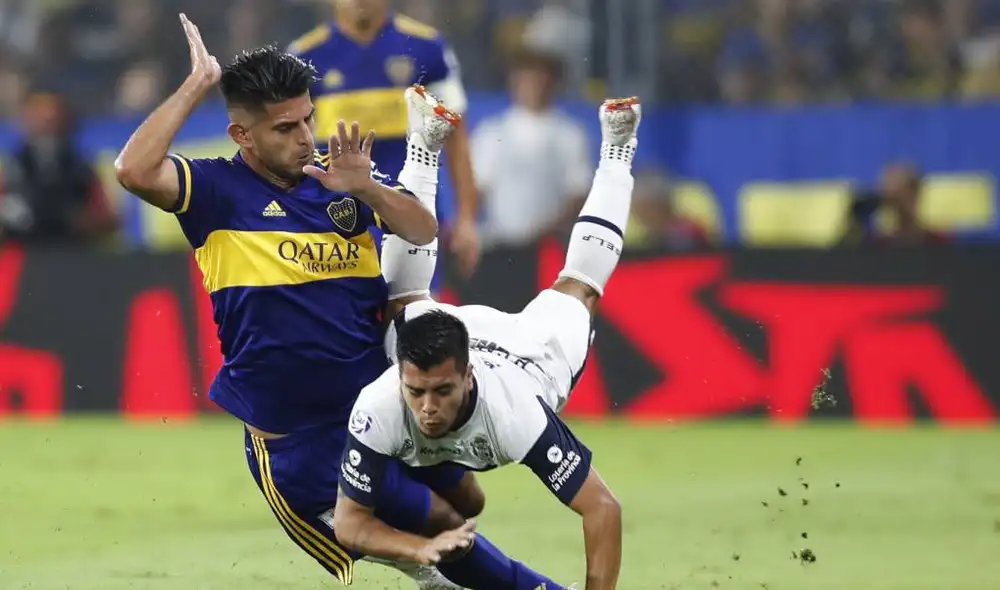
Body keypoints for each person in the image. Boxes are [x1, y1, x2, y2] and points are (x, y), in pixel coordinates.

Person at [114, 14, 541, 590]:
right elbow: (134, 169)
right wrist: (197, 84)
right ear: (242, 135)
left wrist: (367, 187)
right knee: (442, 533)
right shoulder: (216, 192)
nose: (305, 137)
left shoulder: (337, 180)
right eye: (285, 128)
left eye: (308, 119)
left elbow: (421, 229)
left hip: (381, 409)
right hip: (300, 443)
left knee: (468, 500)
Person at [337, 97, 642, 590]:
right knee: (401, 306)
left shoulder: (516, 416)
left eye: (442, 391)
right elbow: (349, 524)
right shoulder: (379, 404)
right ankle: (424, 144)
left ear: (467, 376)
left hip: (530, 358)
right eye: (417, 392)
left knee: (581, 287)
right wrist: (418, 550)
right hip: (459, 333)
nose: (427, 407)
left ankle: (618, 149)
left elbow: (602, 508)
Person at [289, 0, 481, 278]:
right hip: (335, 227)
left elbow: (455, 134)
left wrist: (466, 218)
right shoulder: (304, 56)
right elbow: (289, 148)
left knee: (415, 303)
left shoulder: (427, 47)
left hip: (412, 220)